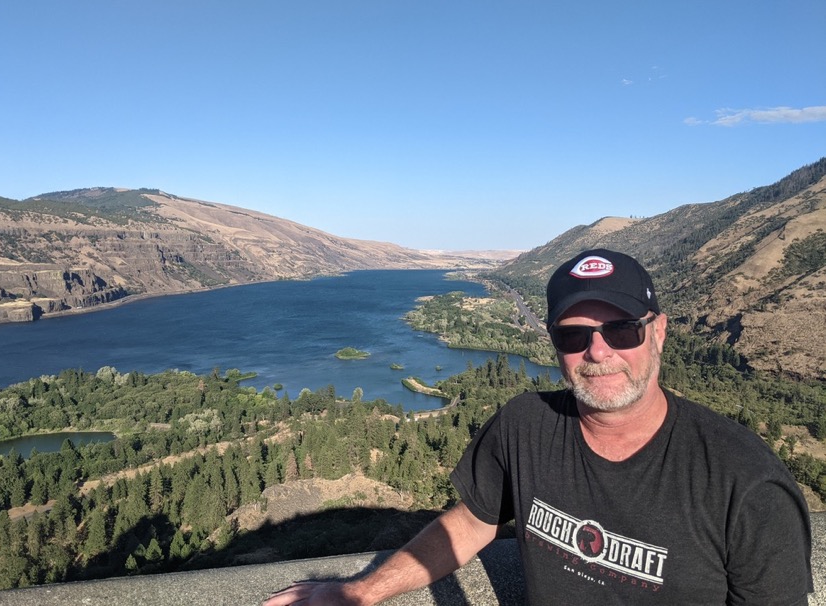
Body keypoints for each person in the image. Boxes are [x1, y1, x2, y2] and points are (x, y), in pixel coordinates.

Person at [263, 249, 813, 605]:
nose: (597, 351)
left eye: (621, 330)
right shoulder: (526, 425)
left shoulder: (744, 482)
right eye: (574, 336)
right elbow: (474, 522)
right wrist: (359, 593)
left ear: (659, 332)